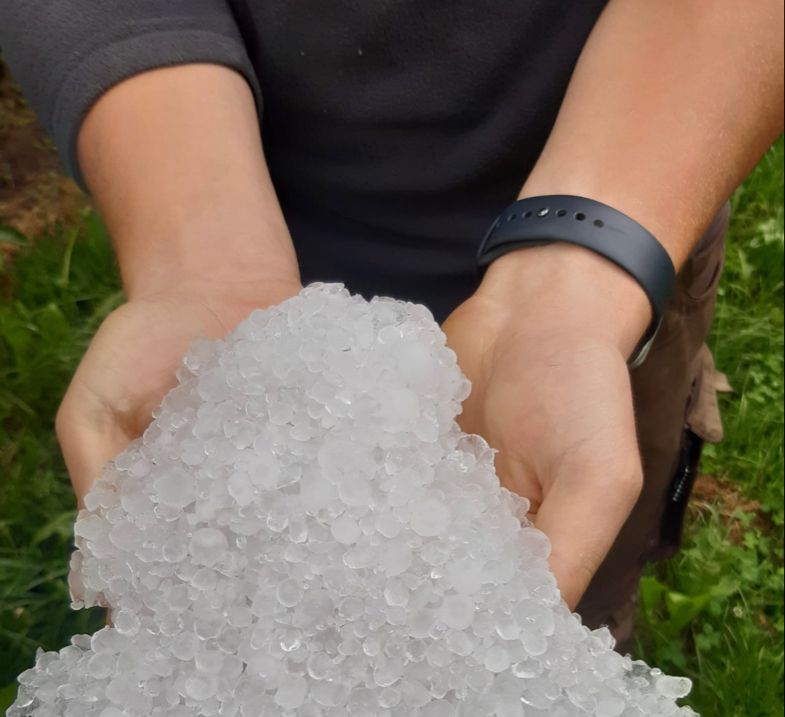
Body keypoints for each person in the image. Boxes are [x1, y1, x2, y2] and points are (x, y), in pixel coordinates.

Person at [1, 1, 782, 656]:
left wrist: (581, 268)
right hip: (257, 205)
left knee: (581, 524)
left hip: (628, 221)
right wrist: (198, 256)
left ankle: (591, 663)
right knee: (294, 640)